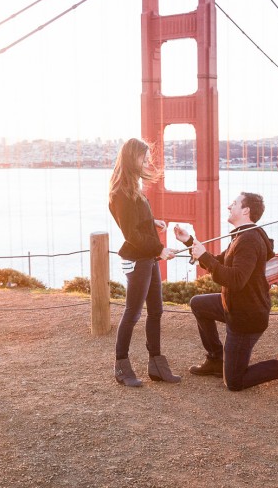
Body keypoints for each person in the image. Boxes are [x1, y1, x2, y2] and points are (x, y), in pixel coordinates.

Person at [173, 192, 278, 391]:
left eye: (234, 203)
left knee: (234, 382)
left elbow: (236, 280)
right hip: (233, 305)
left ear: (246, 210)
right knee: (198, 303)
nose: (229, 207)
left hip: (246, 317)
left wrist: (204, 256)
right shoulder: (241, 235)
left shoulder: (248, 240)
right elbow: (218, 262)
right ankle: (215, 359)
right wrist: (189, 242)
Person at [108, 138, 181, 388]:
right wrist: (160, 249)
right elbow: (131, 235)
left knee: (156, 311)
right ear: (132, 158)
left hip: (147, 257)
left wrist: (154, 223)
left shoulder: (133, 188)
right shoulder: (120, 193)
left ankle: (157, 366)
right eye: (143, 157)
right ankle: (121, 367)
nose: (146, 162)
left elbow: (139, 224)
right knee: (133, 313)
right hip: (137, 258)